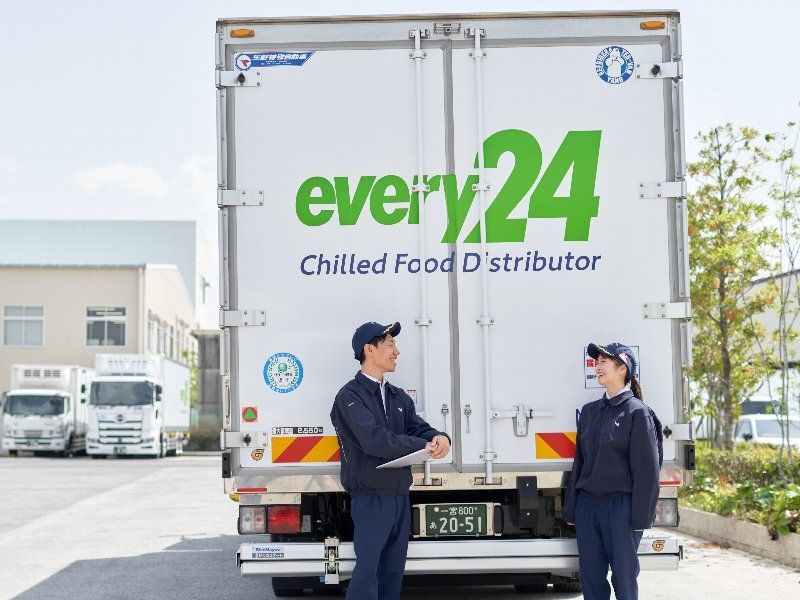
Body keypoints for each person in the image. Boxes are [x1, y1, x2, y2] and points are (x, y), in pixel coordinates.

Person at [330, 321, 451, 600]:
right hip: (371, 496)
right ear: (369, 350)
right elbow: (373, 440)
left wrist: (439, 437)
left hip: (399, 495)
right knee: (368, 570)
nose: (396, 352)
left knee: (393, 571)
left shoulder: (397, 396)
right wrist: (424, 445)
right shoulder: (350, 397)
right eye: (390, 345)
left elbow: (418, 428)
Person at [562, 342, 660, 600]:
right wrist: (572, 509)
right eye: (597, 361)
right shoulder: (590, 412)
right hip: (588, 507)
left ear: (622, 368)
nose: (597, 365)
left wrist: (640, 518)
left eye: (604, 361)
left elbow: (647, 471)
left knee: (624, 580)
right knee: (591, 579)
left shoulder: (637, 412)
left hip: (621, 508)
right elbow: (580, 463)